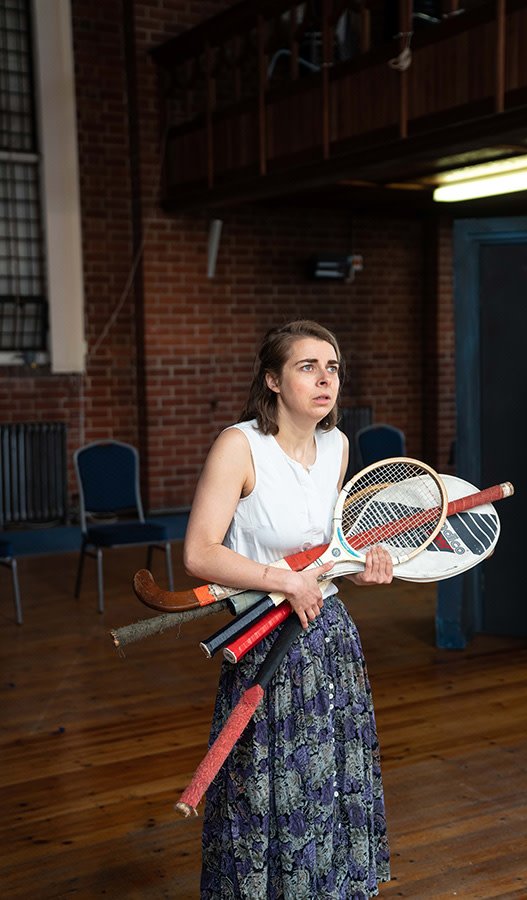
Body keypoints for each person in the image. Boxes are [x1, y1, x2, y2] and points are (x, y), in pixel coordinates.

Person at [184, 320, 392, 899]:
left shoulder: (337, 446)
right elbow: (200, 553)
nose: (326, 379)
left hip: (329, 638)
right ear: (273, 380)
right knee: (263, 783)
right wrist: (284, 581)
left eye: (333, 368)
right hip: (265, 640)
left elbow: (327, 556)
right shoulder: (239, 445)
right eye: (308, 367)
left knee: (329, 779)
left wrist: (359, 567)